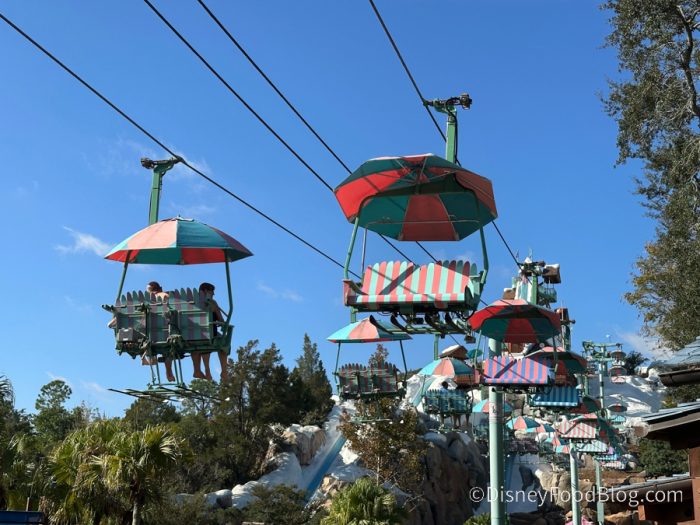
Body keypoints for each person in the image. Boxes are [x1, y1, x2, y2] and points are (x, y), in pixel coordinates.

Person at [191, 282, 229, 382]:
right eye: (212, 291)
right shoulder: (212, 303)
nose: (213, 294)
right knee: (223, 342)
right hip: (209, 335)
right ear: (206, 291)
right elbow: (221, 320)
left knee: (198, 343)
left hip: (191, 336)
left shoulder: (190, 302)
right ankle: (224, 371)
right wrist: (222, 323)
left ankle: (200, 370)